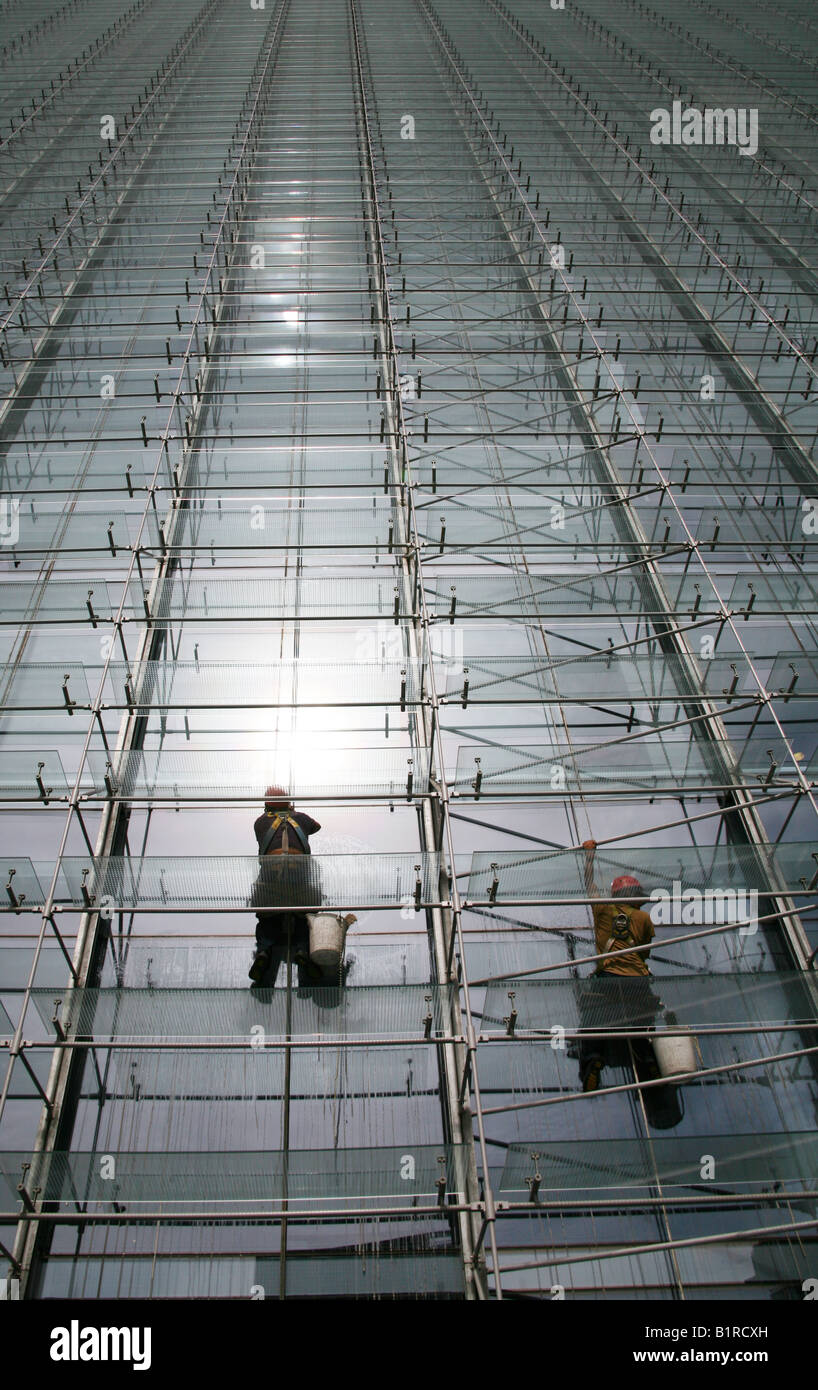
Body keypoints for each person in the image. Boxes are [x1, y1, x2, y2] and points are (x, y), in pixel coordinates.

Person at [578, 839, 661, 1093]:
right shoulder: (644, 918)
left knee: (594, 1022)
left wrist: (589, 855)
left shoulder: (603, 909)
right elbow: (644, 953)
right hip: (638, 981)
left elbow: (588, 884)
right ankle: (647, 1061)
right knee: (641, 1029)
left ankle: (593, 1058)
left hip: (608, 978)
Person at [248, 786, 323, 985]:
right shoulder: (302, 818)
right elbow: (317, 827)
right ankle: (301, 950)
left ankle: (264, 951)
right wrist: (294, 813)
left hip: (271, 873)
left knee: (267, 918)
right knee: (303, 917)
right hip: (298, 871)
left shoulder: (260, 822)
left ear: (267, 804)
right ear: (289, 801)